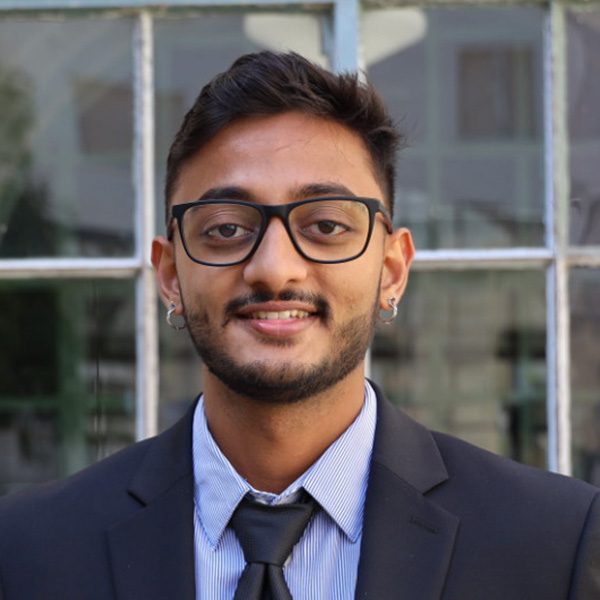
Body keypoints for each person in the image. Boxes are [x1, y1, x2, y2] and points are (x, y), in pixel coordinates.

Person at [0, 51, 598, 600]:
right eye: (226, 228)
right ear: (171, 275)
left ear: (392, 270)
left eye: (326, 225)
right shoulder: (28, 550)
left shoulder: (555, 543)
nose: (274, 269)